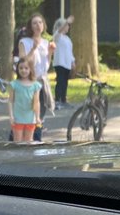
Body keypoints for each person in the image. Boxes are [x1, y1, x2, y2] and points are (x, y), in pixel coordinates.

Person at [18, 13, 52, 141]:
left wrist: (50, 54)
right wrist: (33, 48)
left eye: (40, 22)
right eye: (34, 23)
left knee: (40, 115)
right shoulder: (24, 42)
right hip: (28, 83)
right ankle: (18, 140)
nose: (38, 25)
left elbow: (46, 65)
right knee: (26, 114)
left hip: (41, 82)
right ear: (30, 27)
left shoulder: (46, 42)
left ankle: (37, 141)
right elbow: (22, 63)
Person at [8, 57, 42, 143]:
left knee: (29, 141)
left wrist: (37, 117)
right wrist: (11, 116)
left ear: (30, 69)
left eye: (26, 68)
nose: (23, 70)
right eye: (21, 68)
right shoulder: (14, 84)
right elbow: (10, 101)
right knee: (17, 141)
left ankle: (27, 156)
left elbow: (37, 102)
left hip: (30, 118)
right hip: (17, 118)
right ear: (17, 69)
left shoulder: (35, 85)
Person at [50, 16, 75, 111]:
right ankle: (57, 100)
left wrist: (73, 61)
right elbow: (59, 31)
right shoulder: (57, 36)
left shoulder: (67, 39)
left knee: (65, 82)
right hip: (60, 63)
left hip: (67, 64)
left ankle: (63, 100)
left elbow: (70, 51)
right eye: (67, 25)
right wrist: (66, 21)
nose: (68, 27)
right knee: (60, 82)